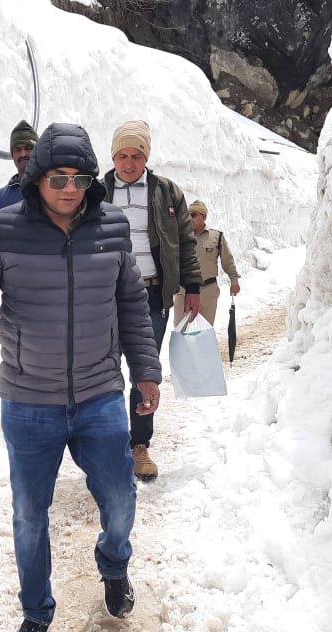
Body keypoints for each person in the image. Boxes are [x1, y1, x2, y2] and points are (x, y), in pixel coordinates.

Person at [0, 123, 162, 632]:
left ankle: (114, 564)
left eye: (81, 179)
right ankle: (35, 612)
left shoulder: (112, 225)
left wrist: (146, 371)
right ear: (37, 178)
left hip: (99, 394)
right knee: (29, 514)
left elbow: (132, 304)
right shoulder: (3, 228)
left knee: (120, 498)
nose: (70, 188)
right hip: (28, 400)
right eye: (59, 178)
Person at [102, 119, 202, 482]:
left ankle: (139, 445)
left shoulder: (166, 192)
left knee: (144, 371)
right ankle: (108, 445)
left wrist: (193, 286)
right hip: (106, 294)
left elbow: (186, 241)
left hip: (151, 293)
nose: (129, 163)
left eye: (136, 156)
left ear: (146, 157)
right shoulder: (97, 192)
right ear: (113, 157)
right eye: (122, 156)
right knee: (104, 370)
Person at [185, 199, 240, 327]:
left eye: (194, 215)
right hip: (184, 291)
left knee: (205, 331)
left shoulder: (216, 236)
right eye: (188, 215)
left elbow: (227, 261)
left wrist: (234, 281)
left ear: (204, 216)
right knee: (181, 330)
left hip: (208, 291)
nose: (190, 218)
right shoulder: (181, 237)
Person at [0, 120, 39, 215]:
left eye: (28, 148)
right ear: (12, 155)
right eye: (17, 149)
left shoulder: (51, 188)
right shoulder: (0, 198)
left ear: (38, 151)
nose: (23, 154)